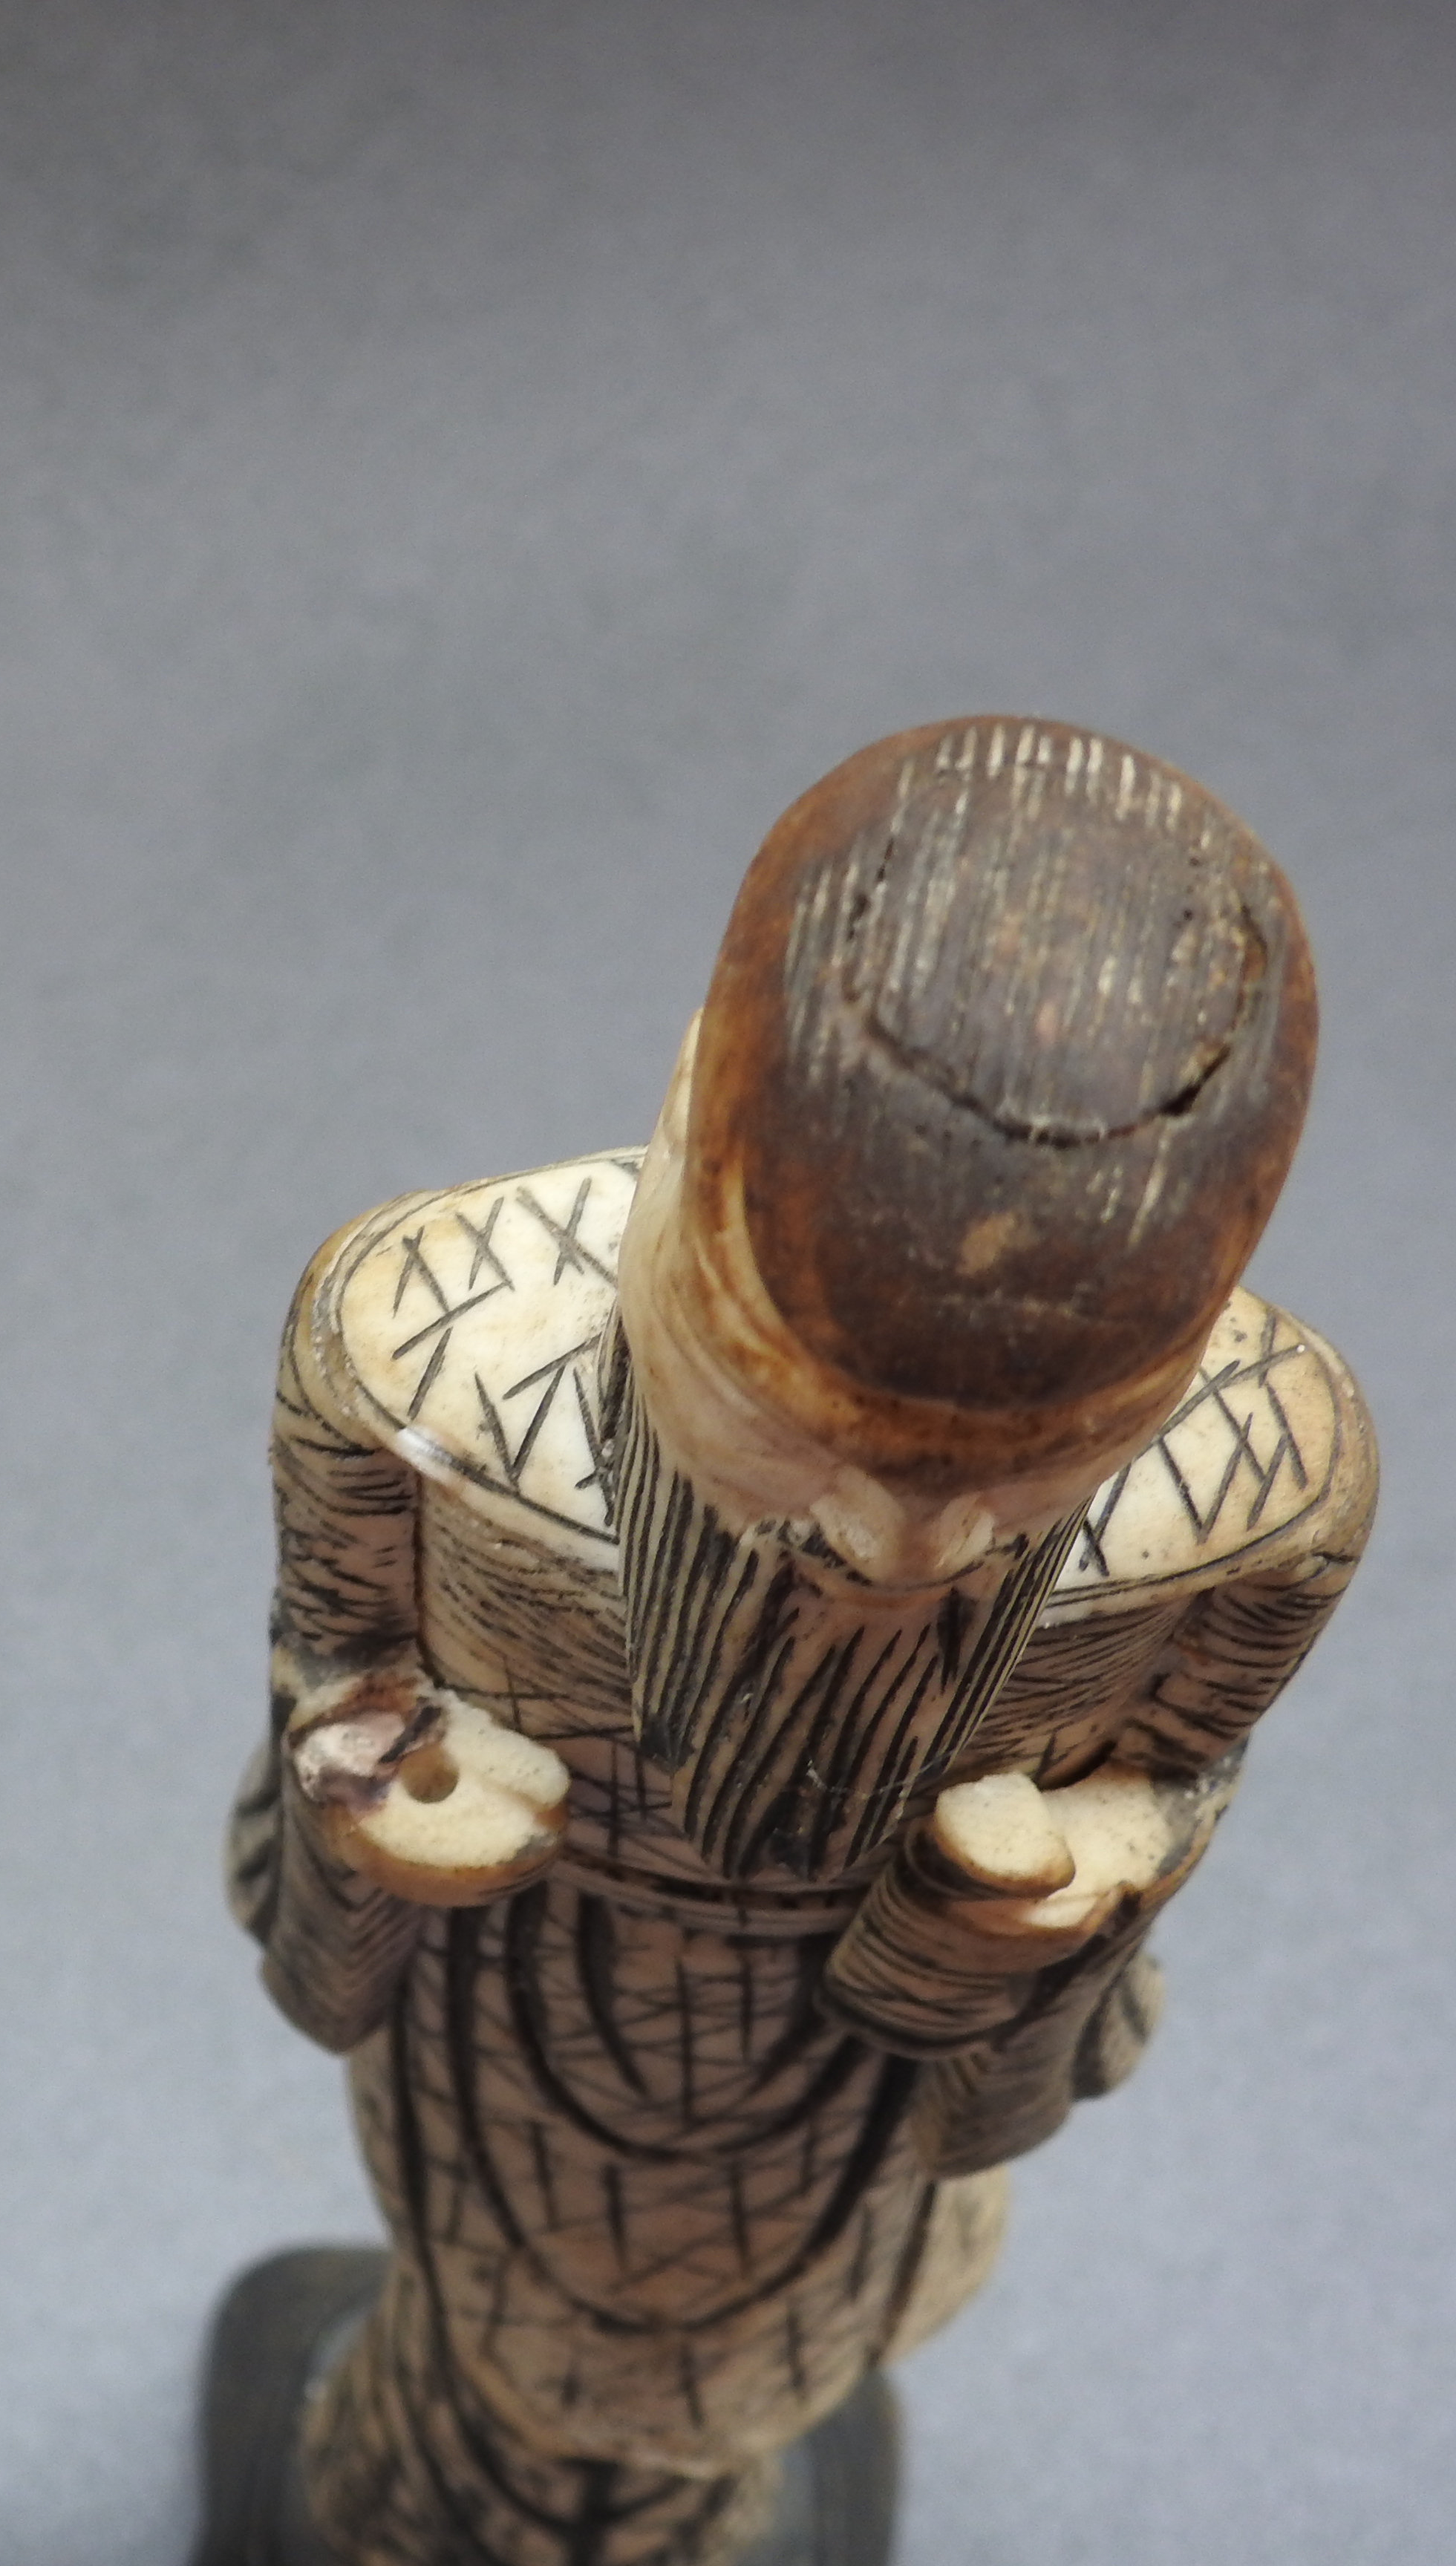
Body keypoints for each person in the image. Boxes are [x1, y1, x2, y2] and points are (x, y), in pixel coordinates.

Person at [209, 719, 1375, 2566]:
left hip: (845, 2088)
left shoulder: (1262, 1492)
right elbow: (329, 1683)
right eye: (791, 1414)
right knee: (493, 2351)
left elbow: (1173, 1784)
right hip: (518, 2011)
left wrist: (1054, 1892)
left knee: (742, 2391)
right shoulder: (418, 1364)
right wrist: (376, 1801)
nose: (894, 1546)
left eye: (1033, 1471)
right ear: (691, 1128)